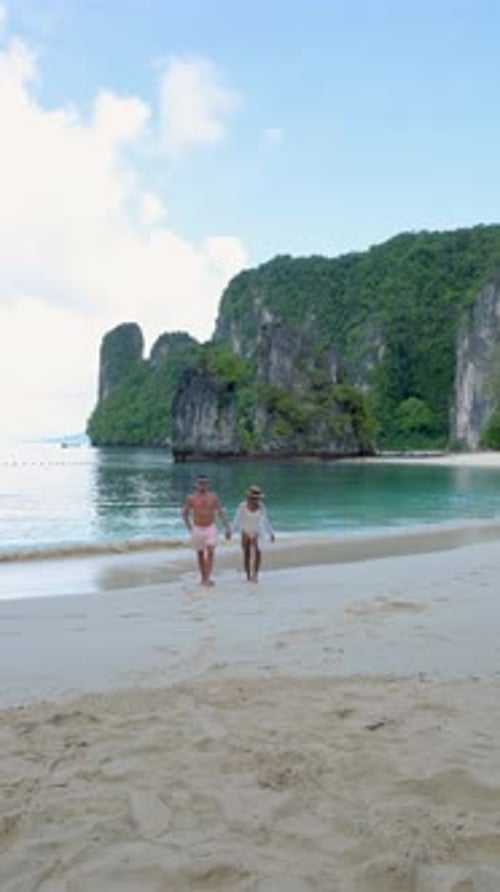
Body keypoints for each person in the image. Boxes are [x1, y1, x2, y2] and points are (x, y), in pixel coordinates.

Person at [182, 474, 231, 586]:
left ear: (207, 484)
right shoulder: (191, 498)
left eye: (204, 483)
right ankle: (203, 577)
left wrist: (227, 528)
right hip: (198, 527)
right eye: (200, 483)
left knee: (210, 551)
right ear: (196, 484)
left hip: (210, 527)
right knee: (200, 553)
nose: (202, 485)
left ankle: (207, 577)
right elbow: (185, 514)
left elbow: (220, 512)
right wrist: (190, 527)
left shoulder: (213, 497)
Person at [232, 484, 275, 582]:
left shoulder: (262, 507)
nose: (255, 500)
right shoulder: (242, 506)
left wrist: (271, 533)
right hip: (246, 530)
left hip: (257, 531)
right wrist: (231, 531)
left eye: (257, 498)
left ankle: (255, 574)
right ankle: (248, 575)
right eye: (253, 498)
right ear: (249, 497)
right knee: (246, 553)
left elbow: (265, 520)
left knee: (258, 552)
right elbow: (237, 519)